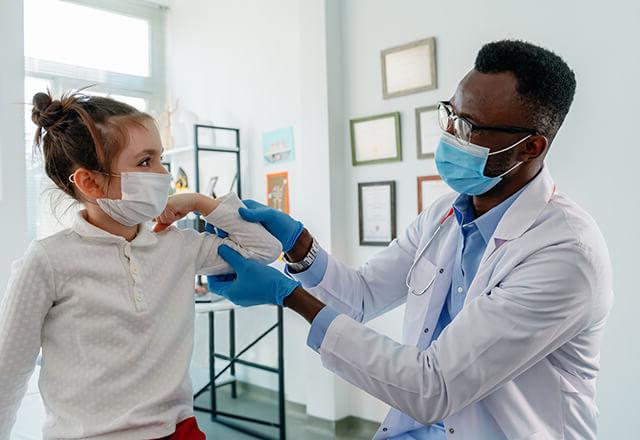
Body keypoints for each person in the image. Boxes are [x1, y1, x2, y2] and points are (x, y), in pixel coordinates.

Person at [208, 40, 613, 439]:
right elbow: (362, 296)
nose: (452, 135)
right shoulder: (444, 216)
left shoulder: (565, 254)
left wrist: (290, 296)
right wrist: (298, 244)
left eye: (469, 127)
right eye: (451, 115)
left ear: (530, 147)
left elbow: (432, 387)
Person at [0, 91, 282, 439]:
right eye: (145, 162)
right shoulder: (47, 261)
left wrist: (198, 202)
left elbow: (265, 248)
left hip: (177, 432)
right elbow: (8, 372)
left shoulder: (179, 246)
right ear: (90, 182)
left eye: (160, 159)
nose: (163, 174)